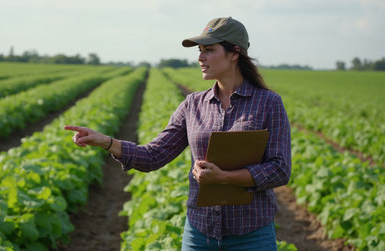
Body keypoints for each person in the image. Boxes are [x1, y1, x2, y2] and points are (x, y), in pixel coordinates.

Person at [65, 17, 290, 251]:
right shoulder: (193, 104)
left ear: (234, 53)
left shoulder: (268, 103)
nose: (200, 58)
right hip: (200, 234)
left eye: (209, 50)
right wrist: (106, 142)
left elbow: (279, 169)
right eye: (200, 51)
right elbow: (154, 155)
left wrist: (224, 178)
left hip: (251, 235)